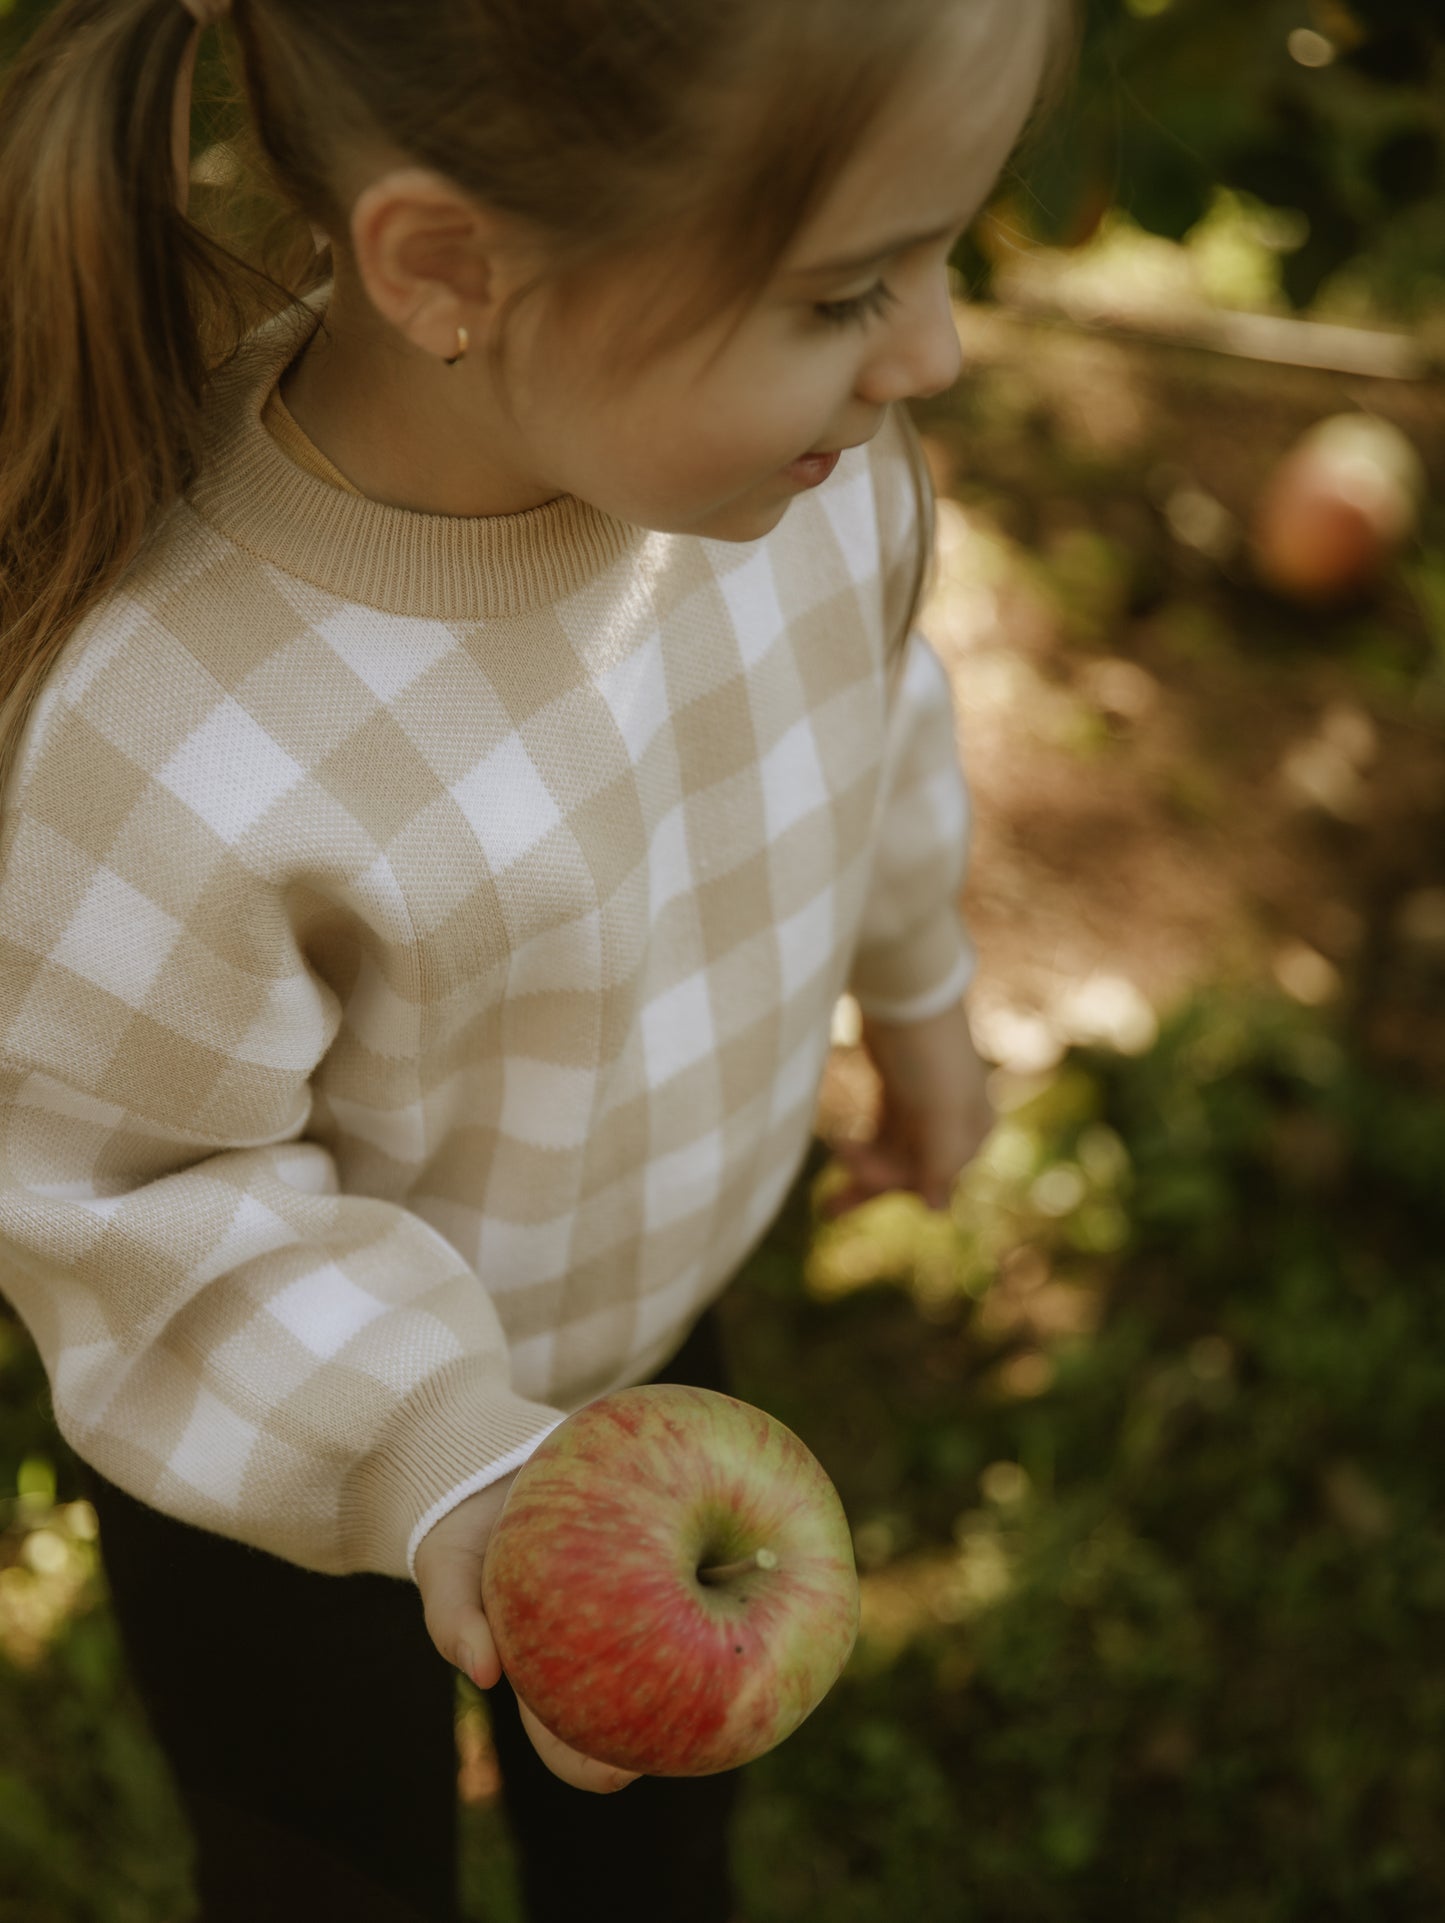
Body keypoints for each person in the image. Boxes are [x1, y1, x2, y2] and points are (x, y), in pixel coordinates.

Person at [0, 0, 1073, 1917]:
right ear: (449, 268)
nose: (932, 350)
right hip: (296, 1464)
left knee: (659, 1843)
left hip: (647, 1349)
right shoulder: (179, 744)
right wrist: (440, 1457)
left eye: (937, 258)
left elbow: (869, 721)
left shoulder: (793, 490)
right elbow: (141, 1204)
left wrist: (916, 990)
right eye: (844, 291)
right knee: (322, 1862)